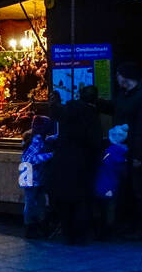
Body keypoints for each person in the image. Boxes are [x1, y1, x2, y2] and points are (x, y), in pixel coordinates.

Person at [46, 87, 102, 245]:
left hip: (62, 161)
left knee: (64, 200)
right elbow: (95, 141)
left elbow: (55, 112)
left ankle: (68, 234)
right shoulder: (90, 115)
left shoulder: (67, 110)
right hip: (81, 163)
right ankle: (80, 235)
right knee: (81, 200)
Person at [116, 63, 142, 240]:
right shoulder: (127, 95)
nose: (116, 79)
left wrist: (139, 155)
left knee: (140, 189)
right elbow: (118, 109)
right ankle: (132, 224)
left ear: (124, 76)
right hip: (125, 148)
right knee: (130, 189)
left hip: (136, 151)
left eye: (118, 75)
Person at [18, 114, 55, 239]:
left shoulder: (35, 138)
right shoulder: (36, 140)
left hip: (32, 175)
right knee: (31, 201)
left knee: (38, 201)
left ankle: (36, 226)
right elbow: (29, 159)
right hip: (31, 176)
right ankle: (30, 227)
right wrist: (50, 155)